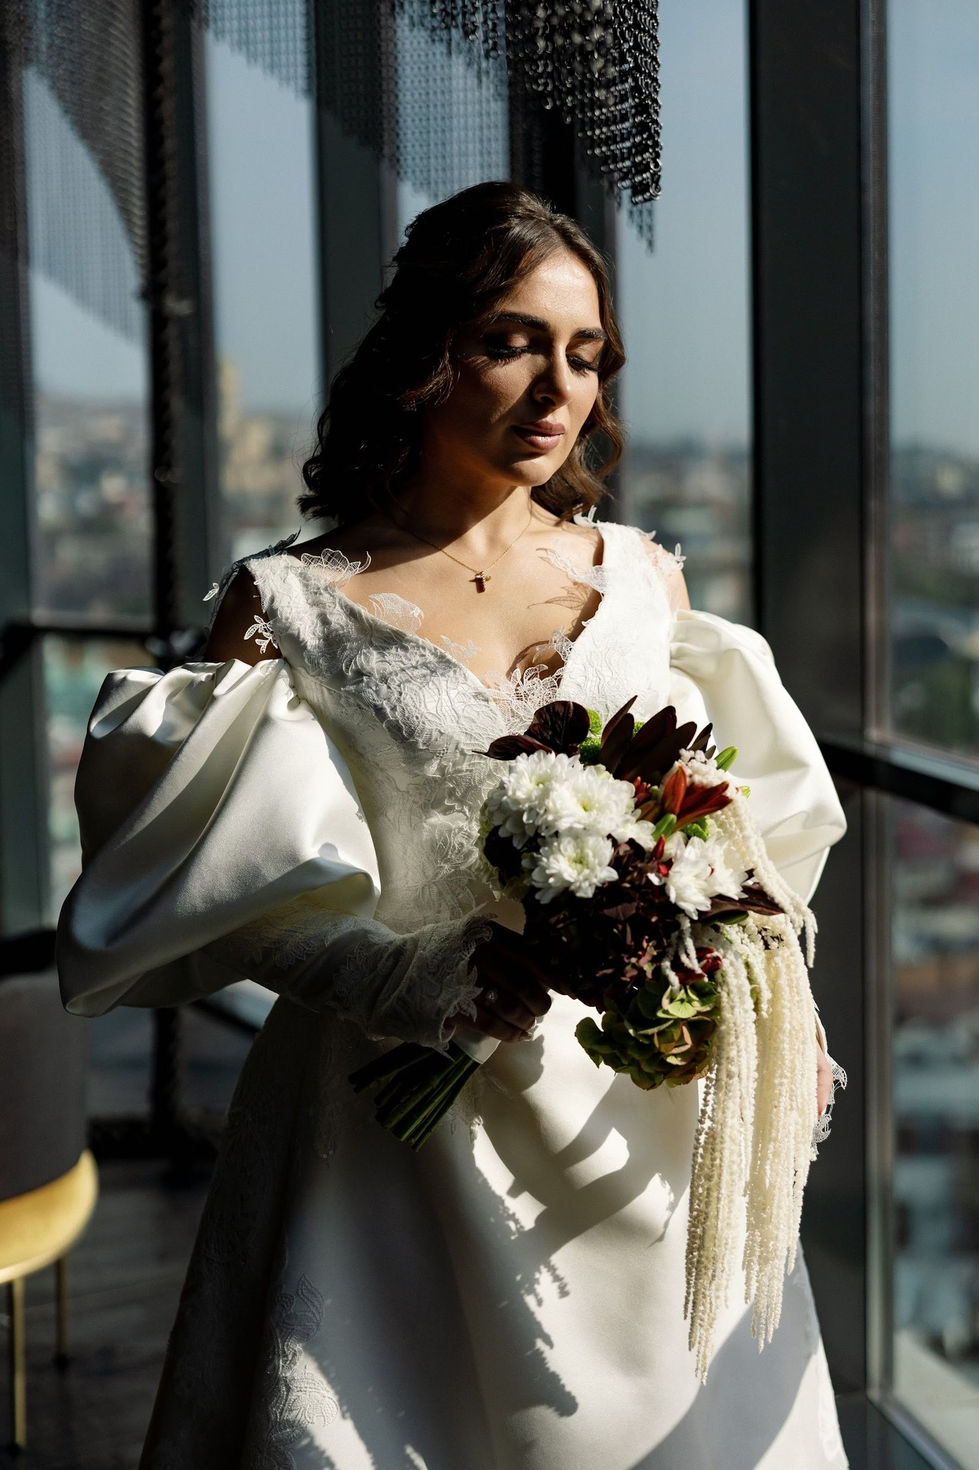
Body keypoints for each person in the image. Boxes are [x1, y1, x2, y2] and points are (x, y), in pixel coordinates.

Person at [58, 181, 848, 1469]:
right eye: (512, 341)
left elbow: (733, 835)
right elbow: (248, 889)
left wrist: (770, 995)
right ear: (427, 356)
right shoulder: (286, 607)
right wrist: (421, 979)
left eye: (584, 354)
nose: (556, 388)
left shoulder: (645, 580)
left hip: (644, 1132)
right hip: (396, 1137)